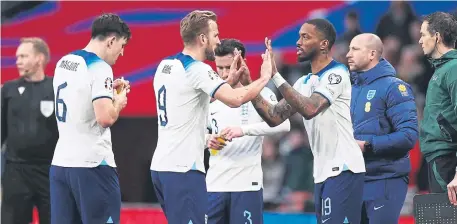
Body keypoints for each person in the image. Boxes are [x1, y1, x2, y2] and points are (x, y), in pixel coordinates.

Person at [150, 10, 273, 224]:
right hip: (184, 171)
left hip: (161, 168)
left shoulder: (165, 66)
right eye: (215, 35)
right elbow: (235, 99)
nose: (218, 40)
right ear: (202, 39)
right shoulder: (197, 69)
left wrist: (228, 82)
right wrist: (264, 77)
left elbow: (192, 103)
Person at [244, 19, 366, 224]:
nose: (298, 42)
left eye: (305, 37)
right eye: (299, 36)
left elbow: (310, 109)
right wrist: (249, 85)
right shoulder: (304, 82)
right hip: (322, 172)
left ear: (324, 44)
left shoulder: (337, 74)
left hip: (344, 168)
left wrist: (275, 75)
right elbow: (274, 117)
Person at [50, 13, 131, 224]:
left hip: (61, 164)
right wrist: (119, 102)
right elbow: (105, 118)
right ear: (111, 40)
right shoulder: (101, 68)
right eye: (122, 46)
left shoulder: (64, 62)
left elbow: (79, 99)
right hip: (92, 165)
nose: (122, 53)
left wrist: (106, 94)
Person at [205, 38, 291, 224]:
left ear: (241, 63)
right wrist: (207, 139)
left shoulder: (259, 94)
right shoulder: (210, 98)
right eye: (219, 68)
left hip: (247, 185)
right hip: (214, 184)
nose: (224, 73)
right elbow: (193, 133)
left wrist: (243, 130)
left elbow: (284, 125)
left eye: (229, 67)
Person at [346, 33, 418, 223]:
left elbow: (409, 135)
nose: (348, 54)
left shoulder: (394, 88)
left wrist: (367, 145)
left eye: (355, 49)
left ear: (371, 54)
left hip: (385, 178)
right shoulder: (349, 89)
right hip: (354, 178)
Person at [1, 37, 57, 224]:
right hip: (16, 172)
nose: (18, 61)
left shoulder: (56, 89)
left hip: (49, 172)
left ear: (39, 59)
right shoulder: (7, 90)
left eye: (24, 56)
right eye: (17, 57)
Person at [418, 12, 457, 205]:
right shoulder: (442, 70)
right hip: (440, 158)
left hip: (448, 161)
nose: (420, 40)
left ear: (437, 36)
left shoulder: (453, 69)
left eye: (424, 34)